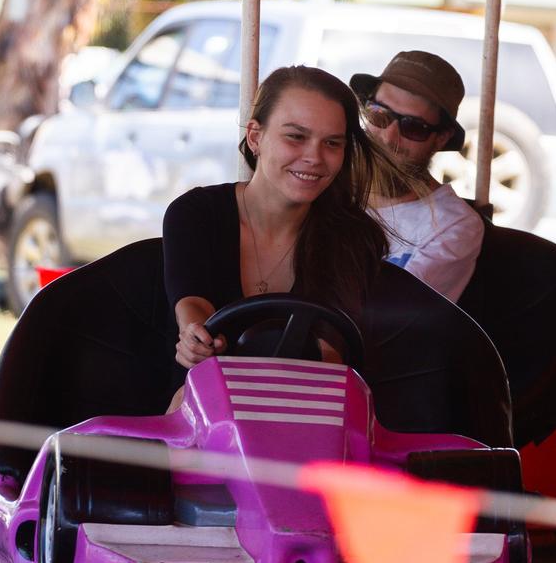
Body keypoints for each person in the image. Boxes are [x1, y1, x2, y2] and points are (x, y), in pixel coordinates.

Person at [162, 65, 403, 408]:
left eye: (332, 143)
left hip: (305, 411)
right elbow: (193, 301)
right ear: (255, 136)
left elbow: (333, 348)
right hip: (204, 410)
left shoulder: (352, 237)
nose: (314, 158)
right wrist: (196, 337)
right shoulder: (196, 213)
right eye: (296, 136)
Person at [350, 51, 484, 303]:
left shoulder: (452, 225)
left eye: (413, 127)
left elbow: (389, 316)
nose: (388, 138)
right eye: (379, 114)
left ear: (441, 138)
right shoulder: (327, 184)